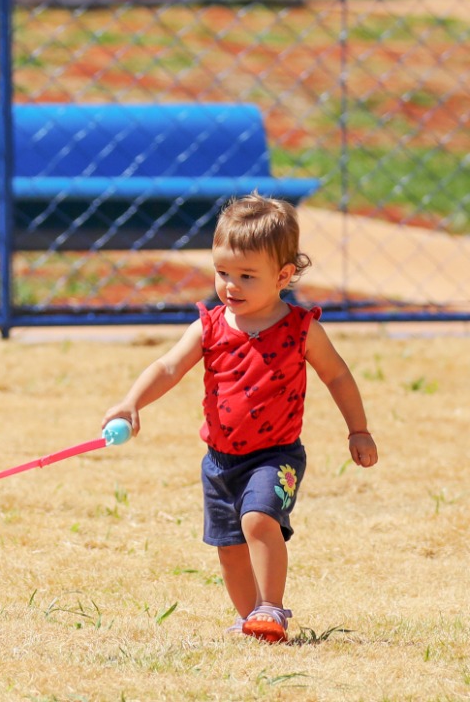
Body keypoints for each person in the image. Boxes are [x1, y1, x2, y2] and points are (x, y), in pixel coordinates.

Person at [102, 194, 378, 643]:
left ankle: (271, 607)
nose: (230, 285)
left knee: (257, 520)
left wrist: (358, 429)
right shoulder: (210, 326)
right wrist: (133, 402)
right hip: (220, 462)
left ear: (283, 277)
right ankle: (250, 618)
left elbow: (337, 376)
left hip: (277, 456)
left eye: (247, 276)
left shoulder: (300, 329)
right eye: (223, 272)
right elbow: (168, 367)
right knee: (229, 548)